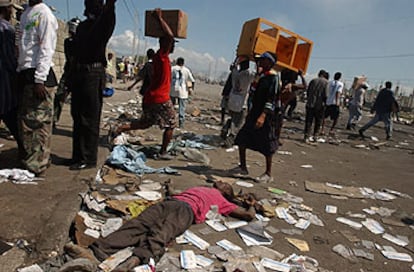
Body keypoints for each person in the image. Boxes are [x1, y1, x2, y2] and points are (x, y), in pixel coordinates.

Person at [64, 181, 257, 270]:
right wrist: (169, 187)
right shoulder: (201, 188)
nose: (221, 182)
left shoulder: (224, 201)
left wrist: (252, 206)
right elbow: (176, 192)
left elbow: (247, 216)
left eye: (224, 184)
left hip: (186, 211)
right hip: (170, 202)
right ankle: (96, 251)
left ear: (225, 192)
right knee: (136, 225)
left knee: (161, 233)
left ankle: (135, 261)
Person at [115, 9, 177, 160]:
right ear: (165, 44)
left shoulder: (158, 57)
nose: (173, 45)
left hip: (150, 98)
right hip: (160, 98)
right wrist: (159, 18)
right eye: (172, 43)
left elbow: (168, 37)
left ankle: (119, 129)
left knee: (144, 124)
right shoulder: (162, 56)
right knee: (171, 124)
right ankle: (163, 152)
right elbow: (169, 35)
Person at [68, 0, 117, 170]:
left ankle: (88, 159)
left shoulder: (102, 23)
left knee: (89, 118)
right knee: (77, 115)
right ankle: (77, 156)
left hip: (93, 74)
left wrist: (110, 5)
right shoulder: (83, 26)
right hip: (80, 73)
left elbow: (109, 17)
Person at [16, 0, 58, 176]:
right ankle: (31, 160)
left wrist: (39, 79)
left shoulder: (45, 14)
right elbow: (22, 45)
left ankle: (39, 164)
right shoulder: (27, 13)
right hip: (26, 72)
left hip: (39, 75)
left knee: (39, 123)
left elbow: (46, 48)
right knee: (27, 122)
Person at [232, 52, 279, 183]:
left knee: (266, 144)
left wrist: (263, 115)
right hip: (254, 113)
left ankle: (268, 173)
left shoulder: (273, 78)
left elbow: (272, 99)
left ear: (269, 63)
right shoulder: (261, 76)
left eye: (262, 60)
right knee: (242, 139)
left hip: (265, 115)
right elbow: (252, 92)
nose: (259, 62)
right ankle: (243, 167)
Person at [0, 0, 22, 150]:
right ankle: (24, 148)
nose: (13, 13)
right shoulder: (6, 28)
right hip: (3, 77)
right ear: (7, 8)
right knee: (10, 111)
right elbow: (9, 57)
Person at [222, 56, 255, 147]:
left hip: (232, 99)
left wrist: (237, 60)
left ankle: (227, 125)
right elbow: (258, 76)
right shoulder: (248, 75)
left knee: (233, 118)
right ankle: (229, 141)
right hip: (241, 103)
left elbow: (232, 67)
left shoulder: (235, 72)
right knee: (238, 124)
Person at [53, 17, 80, 128]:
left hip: (78, 75)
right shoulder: (68, 42)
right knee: (59, 97)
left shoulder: (81, 42)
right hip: (69, 73)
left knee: (78, 102)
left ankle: (78, 123)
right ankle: (54, 119)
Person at [303, 70, 328, 143]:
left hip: (310, 104)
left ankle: (306, 136)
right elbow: (326, 95)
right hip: (319, 105)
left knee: (308, 121)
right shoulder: (326, 82)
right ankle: (315, 136)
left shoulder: (313, 81)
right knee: (318, 121)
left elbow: (308, 92)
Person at [170, 57, 195, 128]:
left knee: (171, 107)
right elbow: (192, 80)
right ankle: (181, 124)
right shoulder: (186, 70)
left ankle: (171, 121)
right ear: (183, 63)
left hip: (172, 90)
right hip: (183, 92)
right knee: (182, 108)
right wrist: (191, 89)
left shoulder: (172, 69)